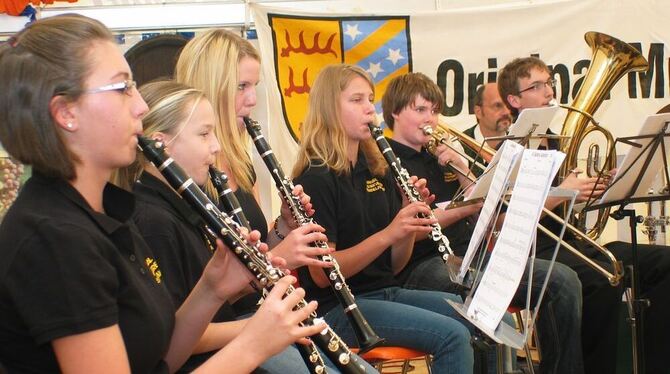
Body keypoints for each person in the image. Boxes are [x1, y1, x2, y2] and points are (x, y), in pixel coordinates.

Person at [0, 14, 324, 373]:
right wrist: (252, 344)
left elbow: (159, 360)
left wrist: (211, 290)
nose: (140, 106)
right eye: (121, 87)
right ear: (66, 113)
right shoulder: (56, 237)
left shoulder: (104, 214)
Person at [174, 29, 358, 373]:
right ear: (212, 88)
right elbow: (208, 295)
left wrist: (283, 228)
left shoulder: (241, 165)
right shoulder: (189, 180)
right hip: (228, 338)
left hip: (261, 316)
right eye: (242, 87)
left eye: (254, 86)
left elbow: (254, 247)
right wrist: (279, 255)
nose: (252, 99)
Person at [382, 72, 584, 374]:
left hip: (471, 255)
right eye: (421, 110)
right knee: (485, 302)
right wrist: (465, 208)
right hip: (422, 265)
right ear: (395, 113)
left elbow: (488, 214)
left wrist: (462, 166)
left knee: (563, 280)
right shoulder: (385, 162)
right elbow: (407, 228)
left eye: (435, 111)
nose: (431, 119)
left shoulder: (439, 154)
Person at [292, 63, 480, 374]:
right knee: (453, 336)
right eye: (357, 101)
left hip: (384, 292)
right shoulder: (316, 176)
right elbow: (324, 275)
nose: (370, 110)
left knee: (481, 318)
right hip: (338, 307)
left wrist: (407, 221)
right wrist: (390, 233)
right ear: (329, 109)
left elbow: (395, 265)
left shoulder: (375, 168)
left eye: (370, 99)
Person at [499, 56, 670, 374]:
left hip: (568, 240)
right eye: (537, 86)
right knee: (603, 276)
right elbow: (507, 217)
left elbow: (565, 208)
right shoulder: (508, 145)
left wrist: (604, 187)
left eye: (549, 82)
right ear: (514, 99)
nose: (548, 91)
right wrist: (565, 190)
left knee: (663, 263)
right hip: (535, 248)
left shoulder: (555, 138)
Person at [462, 83, 513, 175]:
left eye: (508, 105)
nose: (506, 112)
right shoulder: (459, 145)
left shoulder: (519, 142)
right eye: (497, 106)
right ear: (478, 112)